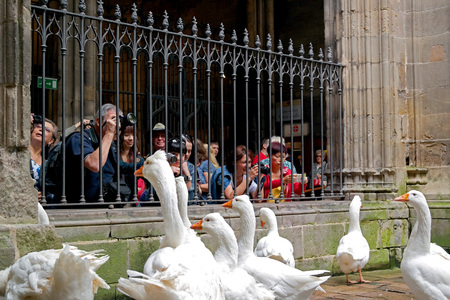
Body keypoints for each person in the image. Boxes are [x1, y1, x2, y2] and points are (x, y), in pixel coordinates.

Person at [65, 103, 123, 203]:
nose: (116, 124)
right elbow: (95, 165)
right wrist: (109, 133)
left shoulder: (109, 143)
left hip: (106, 203)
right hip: (80, 205)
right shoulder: (78, 138)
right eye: (113, 119)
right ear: (98, 121)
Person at [29, 115, 58, 201]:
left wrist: (43, 195)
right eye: (38, 126)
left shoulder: (47, 163)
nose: (41, 129)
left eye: (47, 130)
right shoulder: (18, 155)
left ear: (51, 140)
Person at [119, 125, 145, 200]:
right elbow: (121, 166)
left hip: (131, 198)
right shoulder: (115, 155)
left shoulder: (138, 158)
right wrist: (139, 164)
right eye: (126, 135)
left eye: (133, 135)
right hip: (116, 197)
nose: (131, 138)